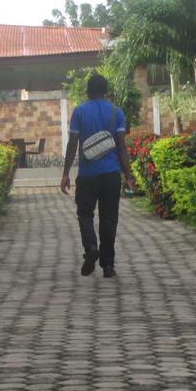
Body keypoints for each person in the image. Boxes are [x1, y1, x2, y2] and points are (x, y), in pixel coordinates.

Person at [60, 73, 136, 277]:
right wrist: (128, 175)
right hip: (111, 174)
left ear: (88, 90)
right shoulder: (116, 112)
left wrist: (66, 172)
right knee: (109, 218)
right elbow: (121, 147)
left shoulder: (80, 112)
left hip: (88, 175)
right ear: (106, 90)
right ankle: (108, 265)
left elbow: (73, 143)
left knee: (85, 214)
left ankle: (91, 247)